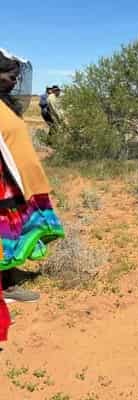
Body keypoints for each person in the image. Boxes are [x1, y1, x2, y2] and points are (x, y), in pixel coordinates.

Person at [0, 48, 64, 311]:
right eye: (9, 75)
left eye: (16, 75)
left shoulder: (4, 103)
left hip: (17, 183)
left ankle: (9, 282)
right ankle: (6, 288)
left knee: (11, 232)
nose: (14, 80)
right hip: (3, 184)